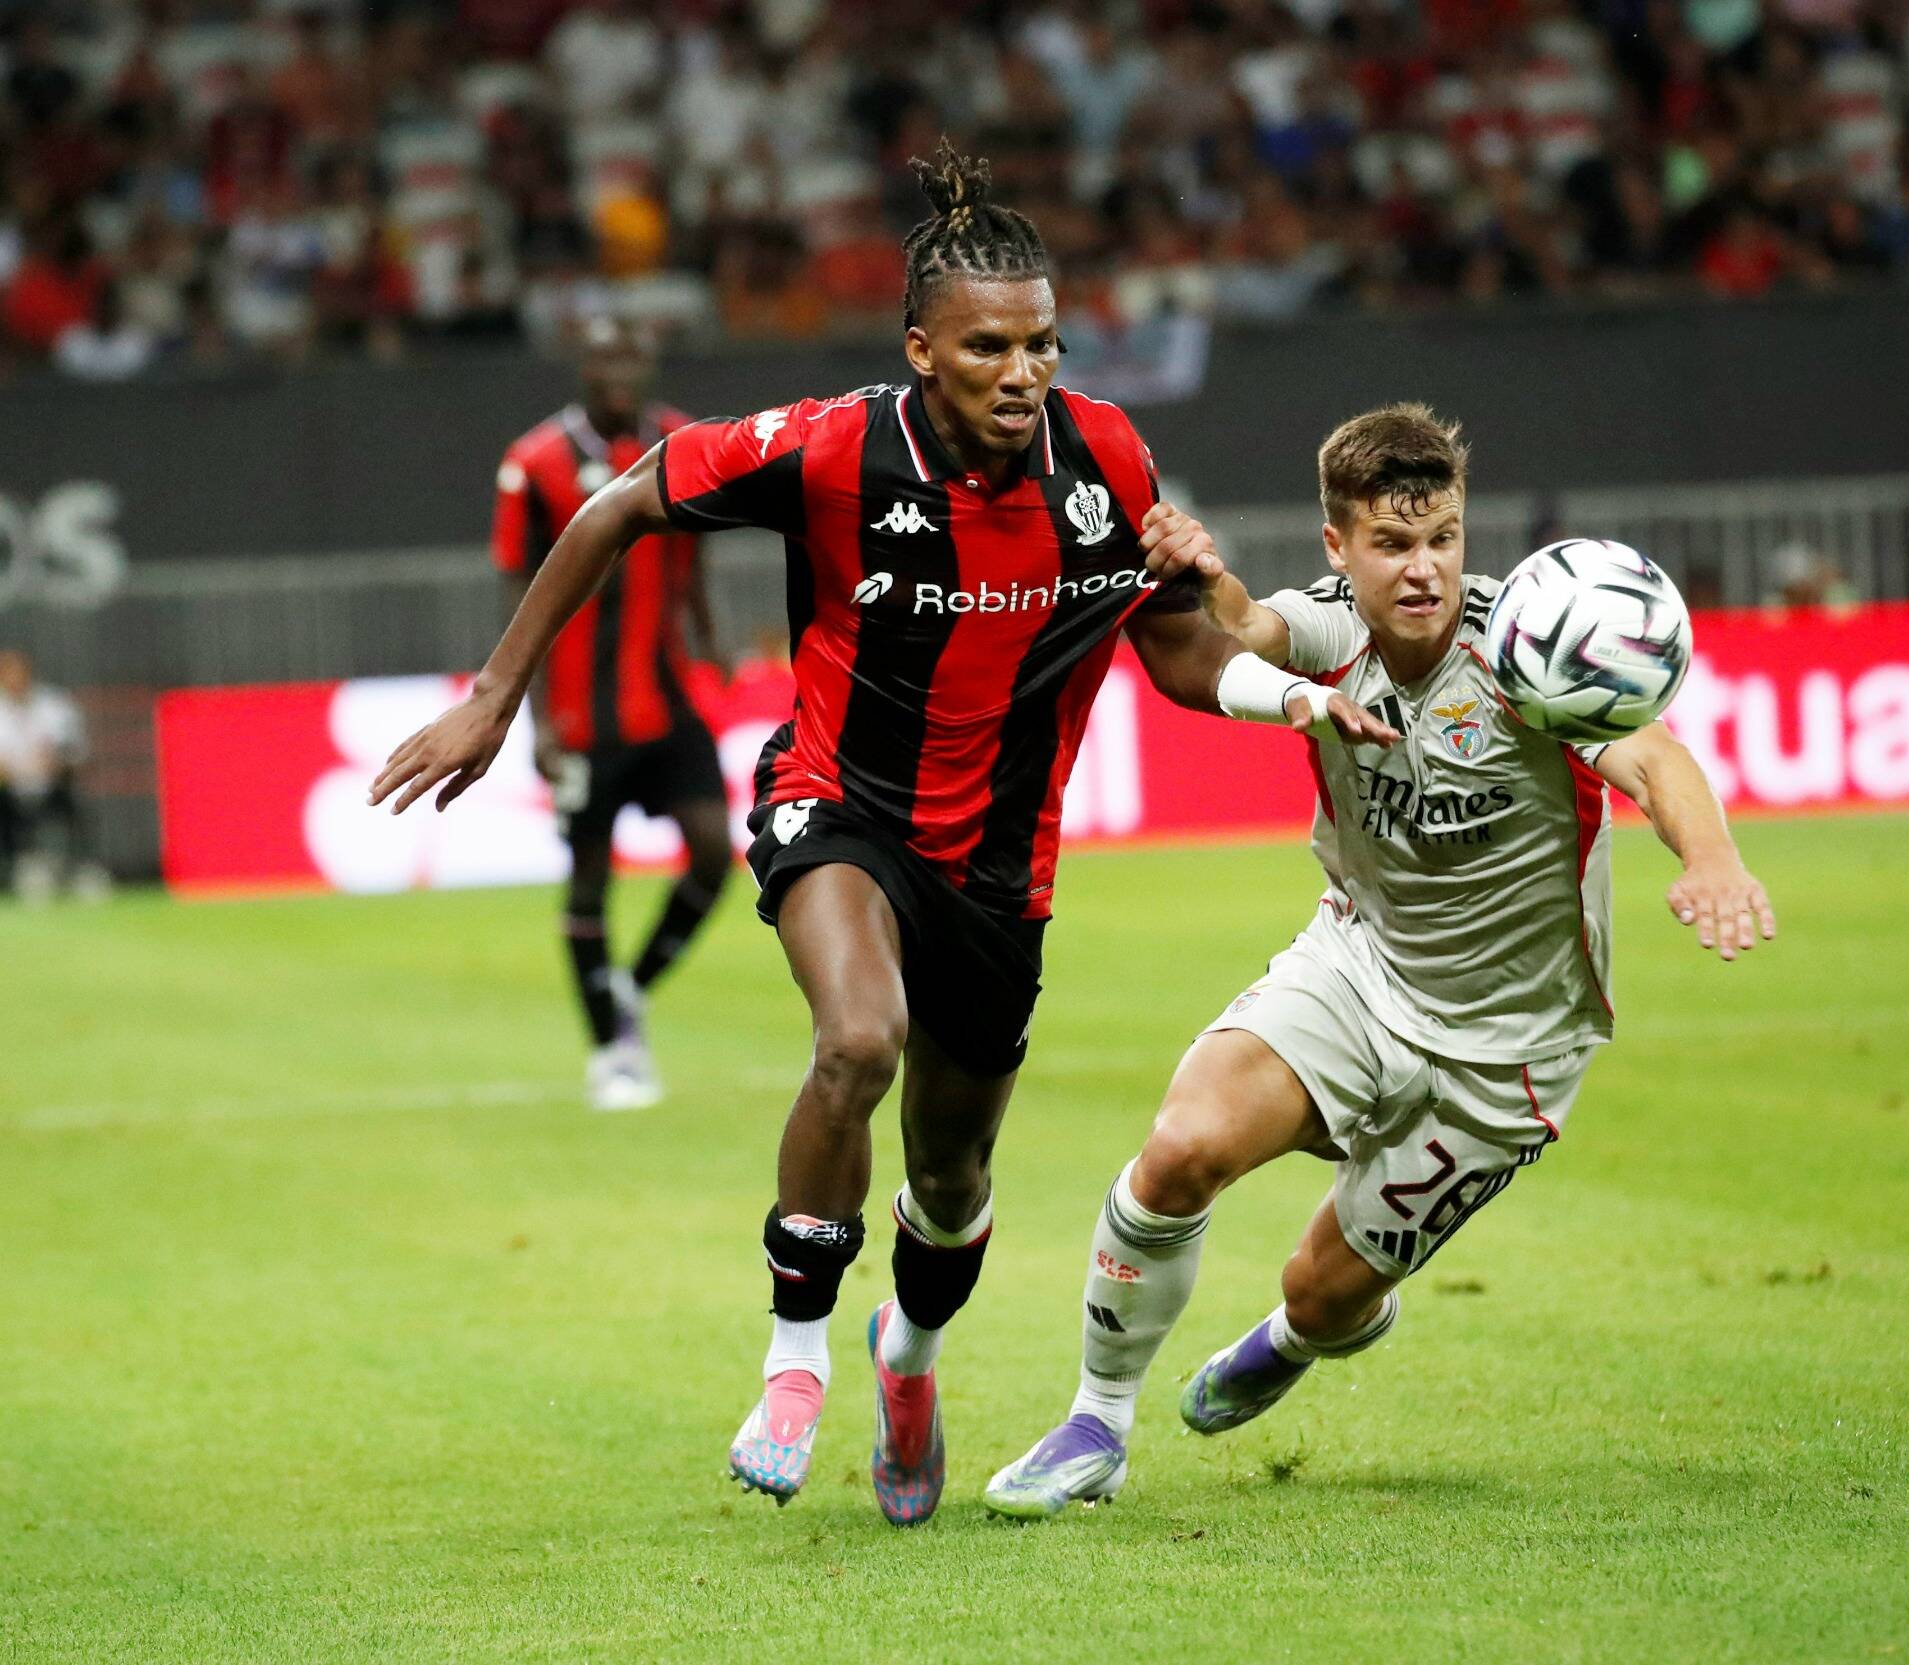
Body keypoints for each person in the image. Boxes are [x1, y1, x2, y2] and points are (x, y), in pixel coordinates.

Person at [369, 141, 1391, 1526]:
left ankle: (906, 1357)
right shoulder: (832, 445)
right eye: (988, 346)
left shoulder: (1107, 454)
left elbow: (1177, 654)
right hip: (837, 800)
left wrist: (1296, 696)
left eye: (1041, 342)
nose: (1023, 370)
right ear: (922, 348)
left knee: (952, 1177)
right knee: (856, 1039)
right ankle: (793, 1365)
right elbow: (621, 500)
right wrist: (498, 693)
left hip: (1000, 862)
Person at [985, 403, 1778, 1519]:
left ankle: (1307, 1331)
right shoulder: (1323, 627)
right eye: (1391, 544)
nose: (1423, 570)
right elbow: (1247, 634)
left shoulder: (1524, 651)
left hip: (1509, 1049)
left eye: (1441, 539)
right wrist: (1201, 576)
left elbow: (1652, 753)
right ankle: (1094, 1428)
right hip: (1358, 971)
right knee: (1178, 1151)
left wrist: (1712, 860)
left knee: (1318, 1293)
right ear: (1337, 547)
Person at [490, 316, 734, 1112]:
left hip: (666, 702)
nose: (619, 368)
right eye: (603, 356)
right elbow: (516, 590)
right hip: (580, 715)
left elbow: (693, 551)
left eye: (631, 351)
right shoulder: (534, 464)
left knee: (712, 852)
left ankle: (629, 986)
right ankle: (611, 1052)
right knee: (590, 882)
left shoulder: (682, 441)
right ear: (582, 368)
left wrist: (709, 634)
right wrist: (533, 721)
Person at [0, 649, 91, 898]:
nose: (14, 679)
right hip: (9, 791)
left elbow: (75, 751)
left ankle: (78, 869)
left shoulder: (55, 705)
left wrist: (56, 763)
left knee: (70, 802)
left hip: (53, 786)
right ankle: (20, 867)